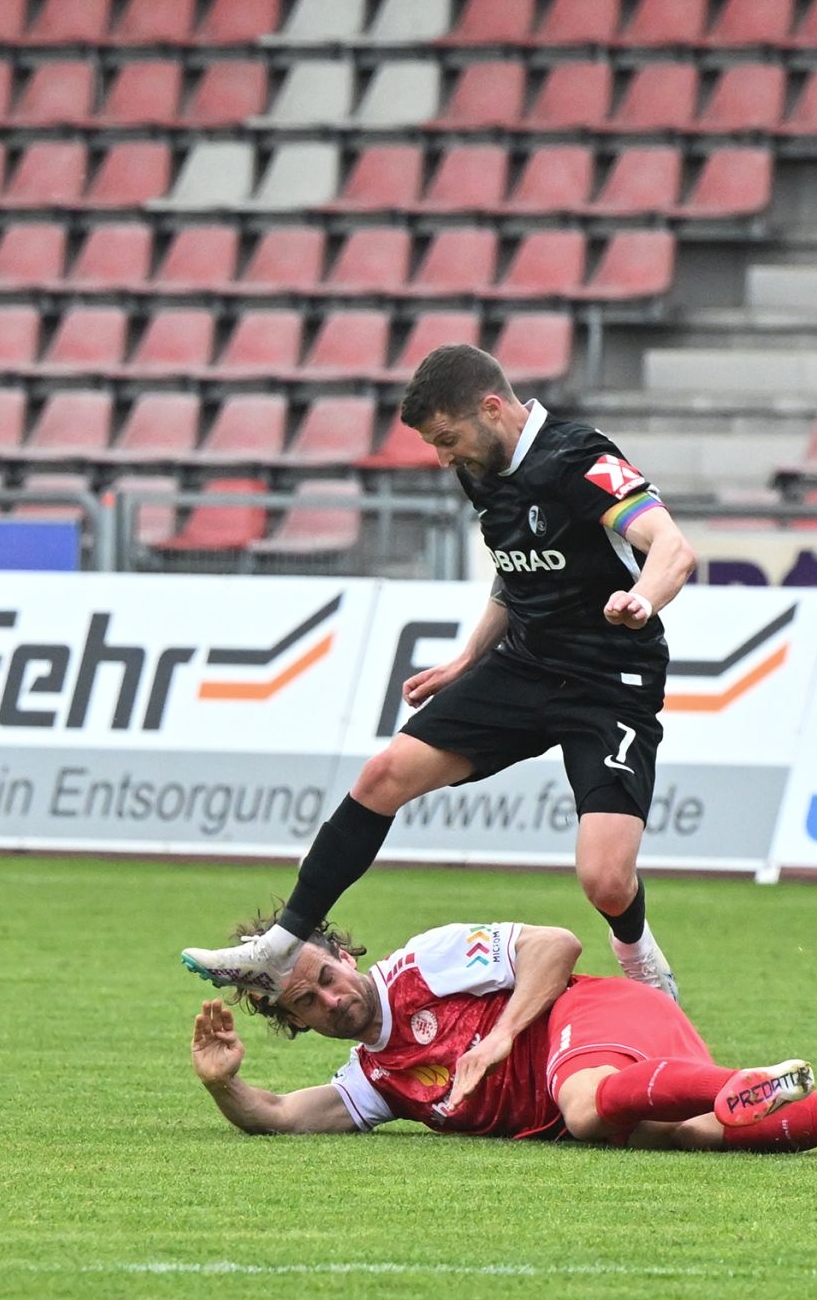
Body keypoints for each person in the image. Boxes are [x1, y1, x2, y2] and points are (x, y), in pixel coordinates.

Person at [184, 345, 698, 1001]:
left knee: (604, 879)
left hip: (610, 675)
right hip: (525, 663)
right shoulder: (481, 466)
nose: (444, 457)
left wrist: (642, 599)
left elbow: (671, 547)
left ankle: (635, 949)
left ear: (491, 408)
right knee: (382, 775)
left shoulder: (578, 457)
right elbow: (516, 575)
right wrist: (466, 659)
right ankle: (279, 946)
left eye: (447, 439)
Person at [190, 917, 817, 1150]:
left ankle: (734, 1080)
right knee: (700, 1138)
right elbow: (283, 1114)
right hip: (621, 1081)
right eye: (311, 1001)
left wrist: (497, 1040)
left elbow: (556, 945)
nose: (334, 994)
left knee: (587, 1106)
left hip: (601, 1018)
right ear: (293, 1021)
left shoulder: (425, 962)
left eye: (328, 971)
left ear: (345, 951)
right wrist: (225, 1084)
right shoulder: (375, 1078)